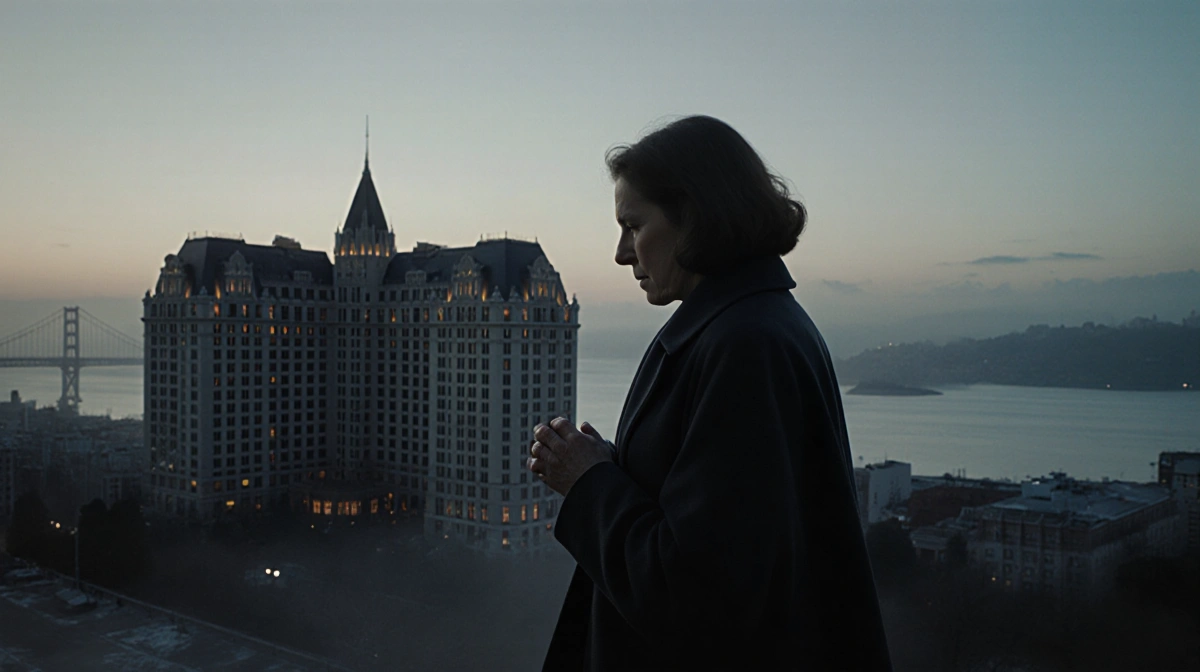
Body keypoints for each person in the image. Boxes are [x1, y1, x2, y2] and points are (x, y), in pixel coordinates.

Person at [527, 115, 893, 671]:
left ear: (692, 217)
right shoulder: (743, 326)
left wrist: (588, 483)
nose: (622, 254)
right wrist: (610, 469)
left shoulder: (745, 345)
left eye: (633, 225)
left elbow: (698, 596)